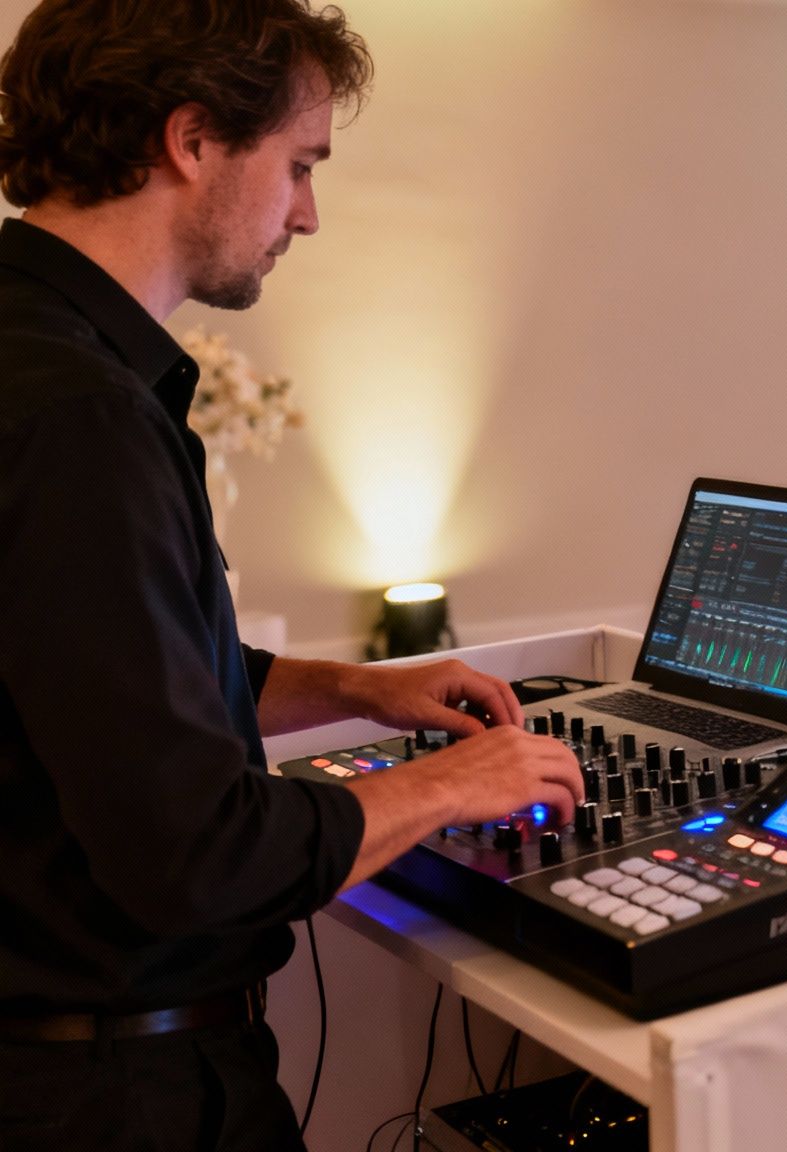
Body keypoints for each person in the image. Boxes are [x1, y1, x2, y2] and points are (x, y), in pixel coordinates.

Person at [0, 3, 584, 1148]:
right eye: (299, 166)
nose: (307, 215)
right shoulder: (79, 418)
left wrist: (354, 692)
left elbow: (102, 680)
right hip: (109, 1100)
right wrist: (455, 784)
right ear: (192, 140)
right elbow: (198, 858)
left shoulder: (33, 355)